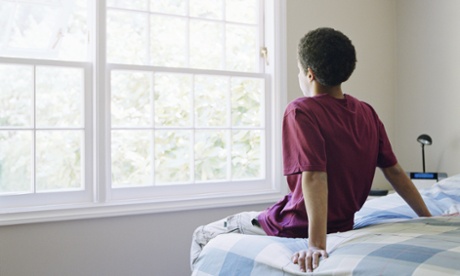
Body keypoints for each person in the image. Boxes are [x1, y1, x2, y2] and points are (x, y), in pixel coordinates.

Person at [190, 27, 432, 273]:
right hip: (343, 223)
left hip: (295, 224)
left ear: (309, 73)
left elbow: (315, 176)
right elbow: (395, 172)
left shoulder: (301, 110)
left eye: (298, 70)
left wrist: (315, 244)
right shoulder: (366, 112)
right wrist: (426, 216)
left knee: (203, 234)